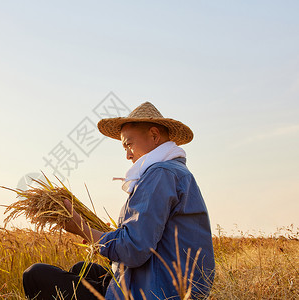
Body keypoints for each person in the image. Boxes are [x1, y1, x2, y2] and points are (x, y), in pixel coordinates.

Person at [23, 102, 215, 300]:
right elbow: (145, 237)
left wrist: (82, 228)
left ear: (155, 135)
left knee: (35, 275)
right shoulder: (175, 171)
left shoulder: (160, 174)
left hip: (158, 291)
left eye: (129, 144)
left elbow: (134, 250)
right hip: (164, 280)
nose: (127, 155)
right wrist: (105, 235)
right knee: (80, 269)